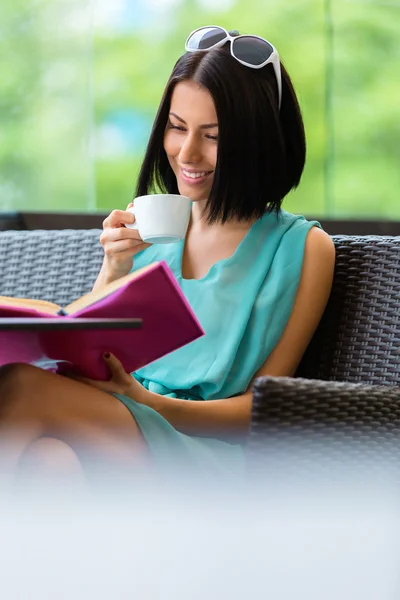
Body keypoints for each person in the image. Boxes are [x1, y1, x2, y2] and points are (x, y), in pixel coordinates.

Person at [0, 26, 335, 485]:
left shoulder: (301, 248)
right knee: (49, 463)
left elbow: (266, 410)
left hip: (203, 451)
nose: (187, 153)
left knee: (19, 386)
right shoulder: (150, 222)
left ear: (258, 139)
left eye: (213, 136)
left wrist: (146, 401)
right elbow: (89, 355)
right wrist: (114, 267)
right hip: (114, 425)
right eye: (177, 129)